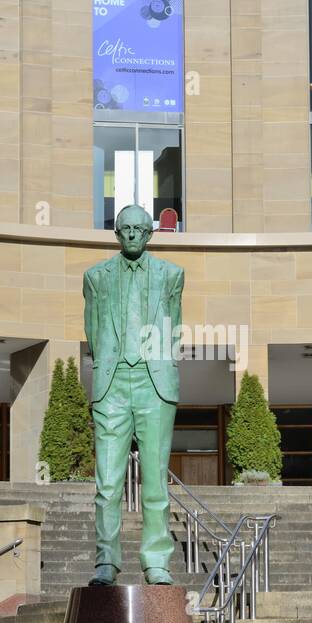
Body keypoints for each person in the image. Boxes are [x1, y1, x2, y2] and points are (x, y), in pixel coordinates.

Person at [83, 203, 184, 586]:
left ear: (149, 234)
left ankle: (156, 561)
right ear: (116, 233)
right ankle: (106, 562)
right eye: (124, 229)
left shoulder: (172, 275)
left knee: (155, 480)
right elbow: (92, 329)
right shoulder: (96, 277)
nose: (130, 235)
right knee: (107, 481)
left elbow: (175, 326)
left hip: (153, 383)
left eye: (138, 229)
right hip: (112, 385)